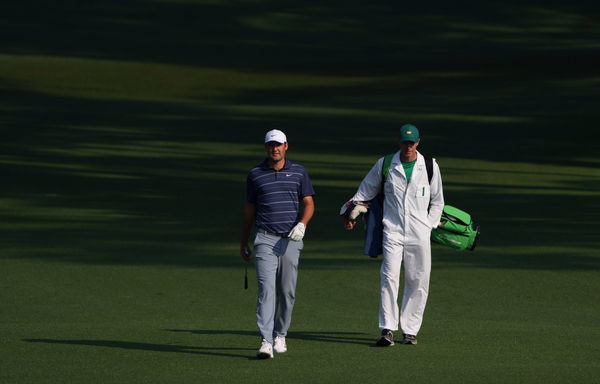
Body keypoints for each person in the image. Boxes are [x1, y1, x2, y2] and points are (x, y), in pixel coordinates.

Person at [343, 124, 444, 346]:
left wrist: (429, 225)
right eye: (404, 142)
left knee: (418, 280)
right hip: (393, 230)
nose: (408, 146)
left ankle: (410, 330)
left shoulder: (429, 166)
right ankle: (387, 328)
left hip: (420, 233)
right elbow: (365, 190)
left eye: (411, 143)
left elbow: (437, 201)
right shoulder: (386, 164)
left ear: (418, 143)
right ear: (399, 142)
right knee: (388, 277)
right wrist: (349, 212)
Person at [240, 129, 315, 359]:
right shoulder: (255, 174)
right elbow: (250, 209)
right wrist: (244, 241)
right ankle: (266, 340)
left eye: (278, 145)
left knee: (287, 291)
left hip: (291, 240)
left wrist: (302, 224)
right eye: (271, 145)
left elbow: (309, 203)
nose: (275, 148)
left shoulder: (299, 172)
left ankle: (280, 333)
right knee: (266, 290)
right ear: (266, 148)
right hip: (265, 238)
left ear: (286, 146)